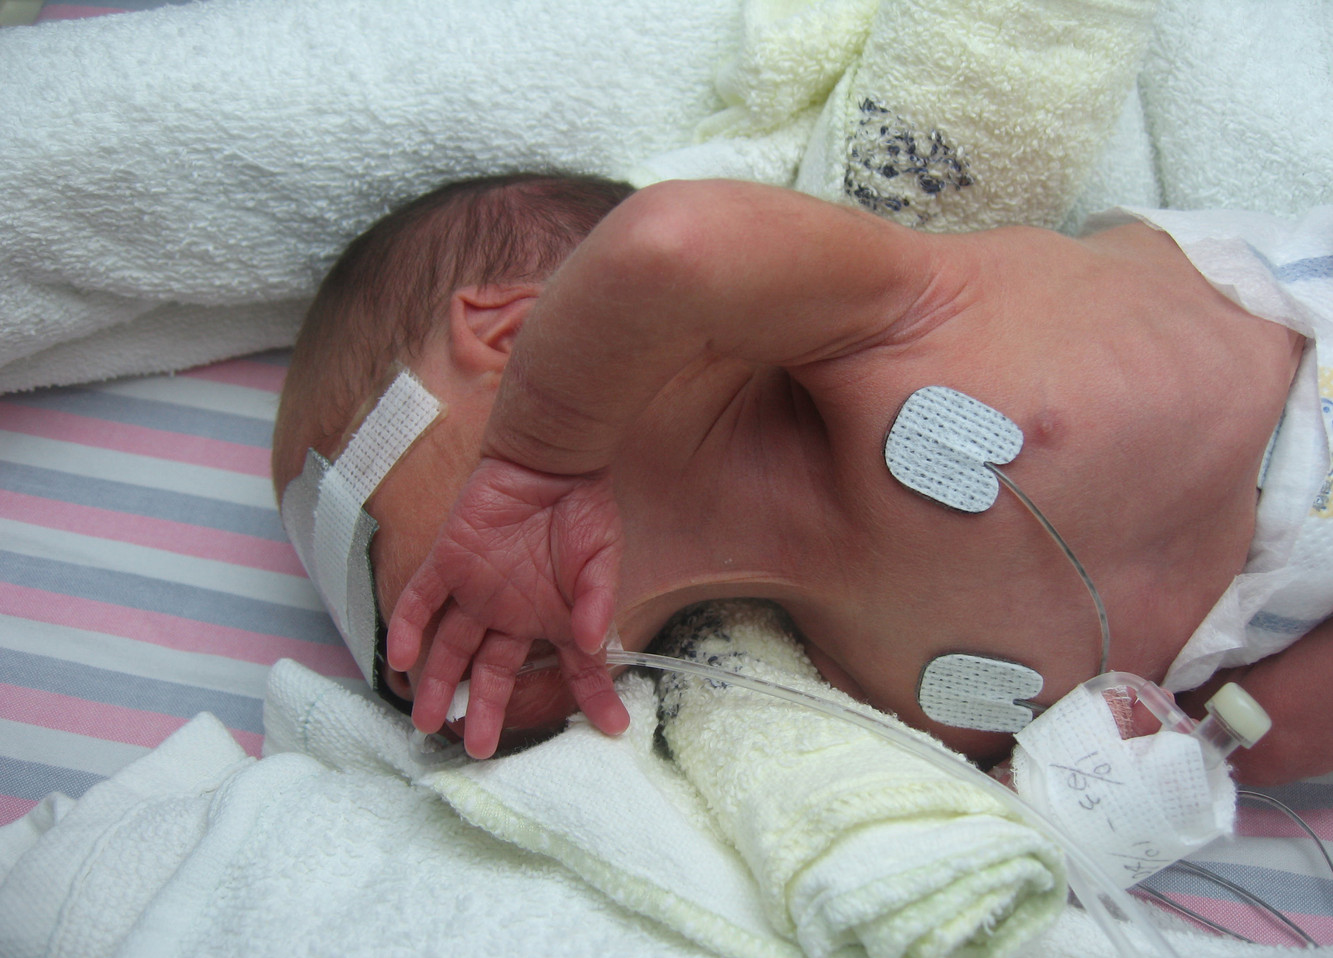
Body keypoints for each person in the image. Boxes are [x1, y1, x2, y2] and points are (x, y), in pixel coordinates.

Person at [272, 172, 1333, 785]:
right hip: (1273, 628)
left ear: (515, 336)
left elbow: (669, 246)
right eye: (400, 679)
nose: (416, 662)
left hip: (1299, 357)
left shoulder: (854, 330)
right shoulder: (845, 685)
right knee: (1264, 739)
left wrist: (534, 461)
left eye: (378, 567)